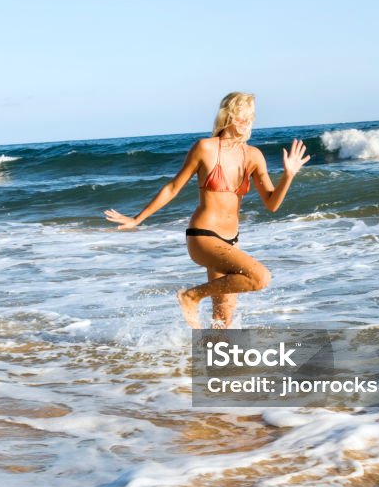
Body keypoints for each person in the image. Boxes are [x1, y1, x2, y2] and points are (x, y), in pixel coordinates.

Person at [105, 92, 309, 328]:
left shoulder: (253, 155)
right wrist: (137, 219)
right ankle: (191, 296)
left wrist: (288, 175)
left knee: (223, 320)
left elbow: (272, 204)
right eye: (241, 118)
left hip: (230, 240)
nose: (246, 124)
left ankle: (210, 360)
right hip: (204, 236)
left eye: (250, 119)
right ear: (227, 116)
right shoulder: (205, 148)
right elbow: (172, 187)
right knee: (260, 277)